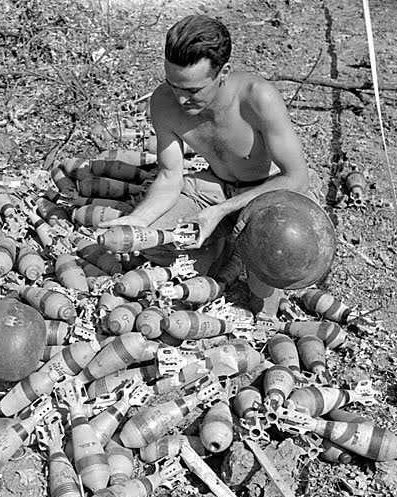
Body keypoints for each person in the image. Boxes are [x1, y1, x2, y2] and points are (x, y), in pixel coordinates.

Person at [98, 14, 322, 317]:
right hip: (213, 187)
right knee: (149, 241)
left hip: (266, 196)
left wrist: (218, 213)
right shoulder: (165, 102)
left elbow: (296, 179)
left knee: (269, 286)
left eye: (192, 91)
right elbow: (168, 176)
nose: (180, 99)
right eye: (173, 85)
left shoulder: (258, 98)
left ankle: (237, 253)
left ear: (224, 72)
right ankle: (219, 250)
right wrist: (139, 219)